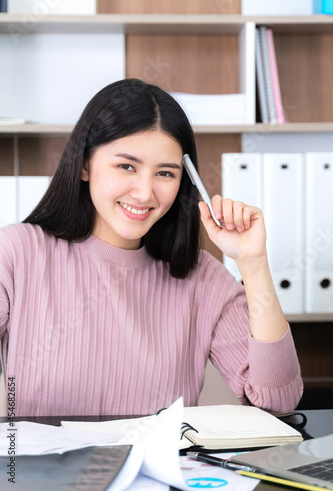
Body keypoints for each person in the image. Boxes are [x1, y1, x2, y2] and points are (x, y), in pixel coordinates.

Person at [0, 79, 303, 417]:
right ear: (85, 164)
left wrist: (253, 263)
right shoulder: (17, 253)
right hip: (41, 470)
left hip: (163, 471)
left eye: (165, 173)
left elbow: (277, 400)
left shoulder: (201, 276)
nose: (144, 193)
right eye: (126, 166)